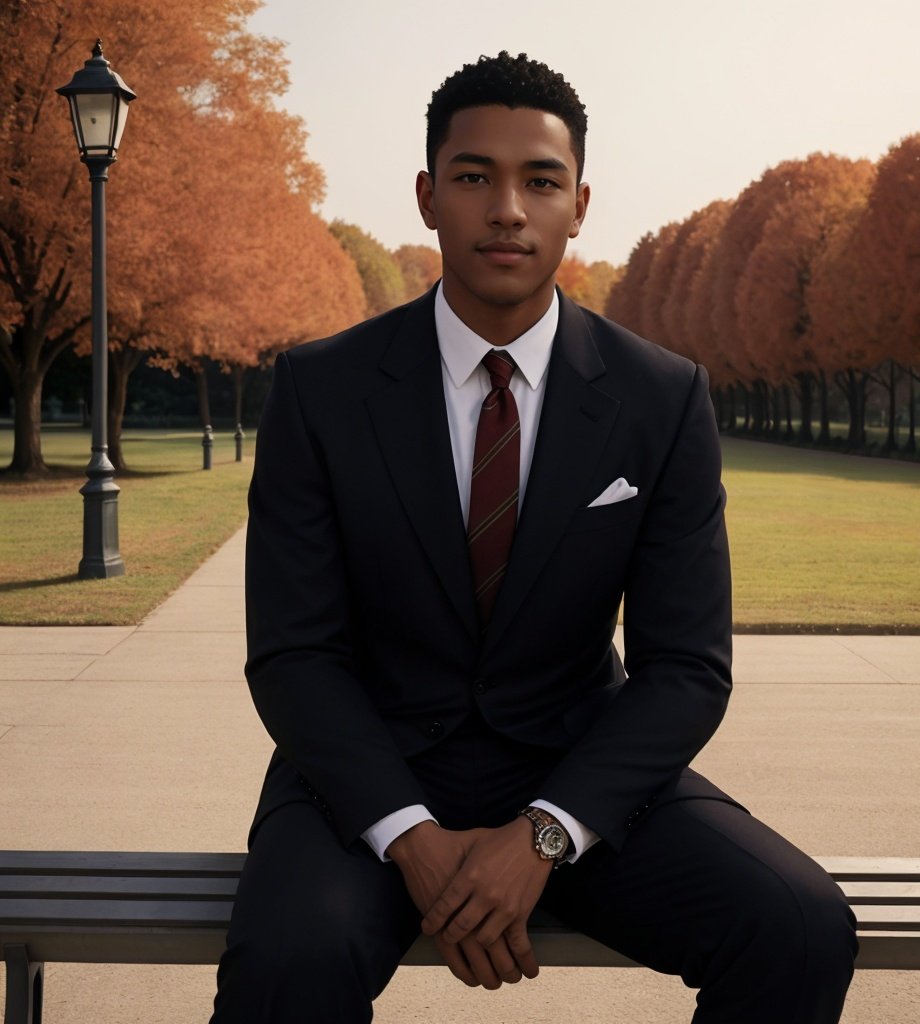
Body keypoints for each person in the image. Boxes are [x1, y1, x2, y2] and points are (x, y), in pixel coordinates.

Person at [211, 50, 857, 1024]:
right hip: (368, 781)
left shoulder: (661, 397)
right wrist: (412, 837)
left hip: (578, 772)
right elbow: (295, 654)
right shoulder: (320, 389)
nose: (506, 207)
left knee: (798, 925)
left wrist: (546, 833)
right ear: (429, 197)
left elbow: (686, 667)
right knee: (288, 961)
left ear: (578, 203)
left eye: (539, 180)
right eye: (474, 177)